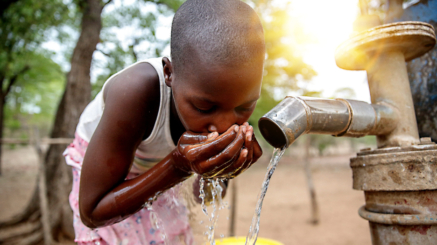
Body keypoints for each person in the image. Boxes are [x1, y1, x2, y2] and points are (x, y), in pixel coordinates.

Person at [63, 0, 265, 244]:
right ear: (169, 73)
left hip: (161, 168)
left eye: (244, 107)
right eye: (204, 107)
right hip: (105, 173)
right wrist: (179, 166)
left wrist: (221, 169)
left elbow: (203, 197)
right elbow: (92, 212)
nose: (223, 125)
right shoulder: (136, 91)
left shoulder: (226, 95)